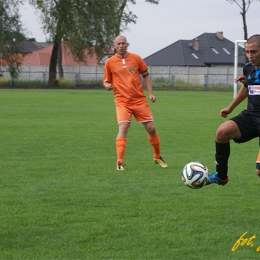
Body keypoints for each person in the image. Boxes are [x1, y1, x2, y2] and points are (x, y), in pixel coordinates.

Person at [103, 35, 168, 170]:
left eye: (123, 43)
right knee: (124, 127)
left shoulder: (136, 58)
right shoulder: (109, 62)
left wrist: (150, 93)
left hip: (139, 100)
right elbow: (106, 80)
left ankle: (157, 156)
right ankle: (120, 162)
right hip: (122, 101)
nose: (121, 46)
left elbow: (146, 76)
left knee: (151, 128)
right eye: (118, 44)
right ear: (114, 46)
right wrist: (107, 85)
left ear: (127, 45)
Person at [207, 34, 260, 185]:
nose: (250, 55)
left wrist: (249, 82)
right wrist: (230, 108)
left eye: (254, 52)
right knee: (222, 132)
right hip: (251, 116)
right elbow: (247, 88)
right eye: (248, 52)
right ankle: (221, 176)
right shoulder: (249, 68)